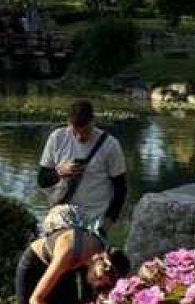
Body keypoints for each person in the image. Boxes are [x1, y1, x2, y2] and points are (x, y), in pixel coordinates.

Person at [15, 210, 131, 304]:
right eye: (99, 277)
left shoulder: (99, 253)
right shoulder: (68, 252)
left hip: (72, 266)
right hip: (36, 266)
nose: (95, 283)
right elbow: (35, 300)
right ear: (100, 259)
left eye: (102, 284)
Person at [37, 99, 127, 233]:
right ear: (69, 123)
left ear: (93, 121)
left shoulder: (110, 145)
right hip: (61, 216)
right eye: (75, 131)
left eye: (85, 132)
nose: (80, 137)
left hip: (94, 219)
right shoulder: (57, 138)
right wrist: (59, 172)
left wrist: (108, 223)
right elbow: (42, 181)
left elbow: (120, 189)